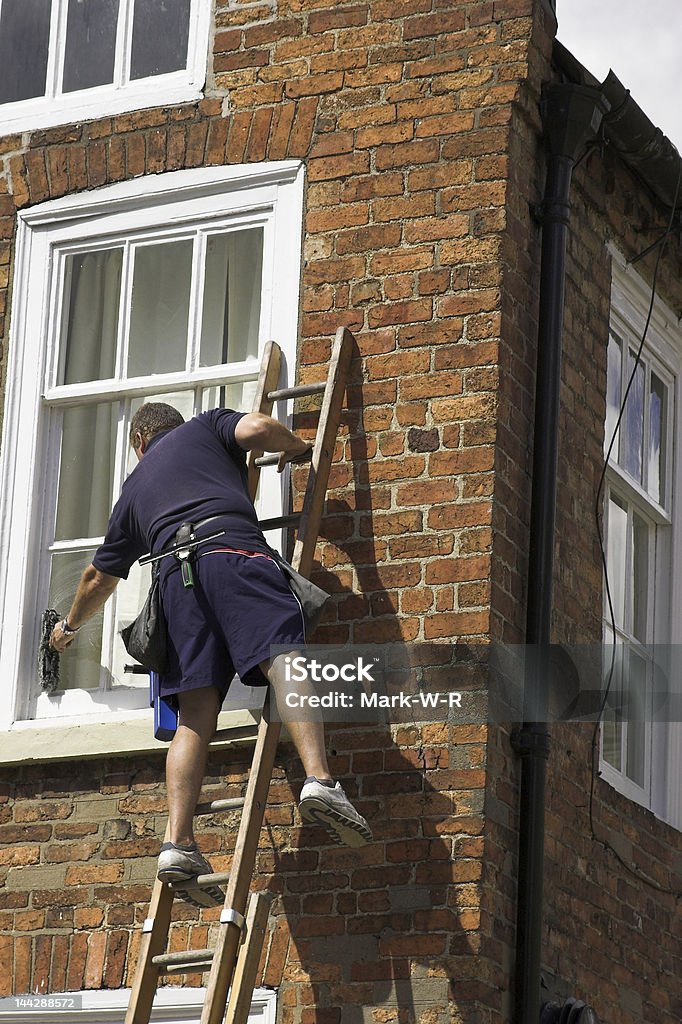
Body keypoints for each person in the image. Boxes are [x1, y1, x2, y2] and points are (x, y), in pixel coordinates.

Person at [50, 402, 372, 904]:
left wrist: (67, 629)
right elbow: (260, 428)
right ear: (174, 429)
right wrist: (297, 448)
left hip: (174, 584)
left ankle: (177, 843)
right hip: (232, 552)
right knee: (285, 657)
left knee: (195, 713)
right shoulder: (207, 427)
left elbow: (98, 578)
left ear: (139, 444)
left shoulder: (133, 491)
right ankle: (320, 782)